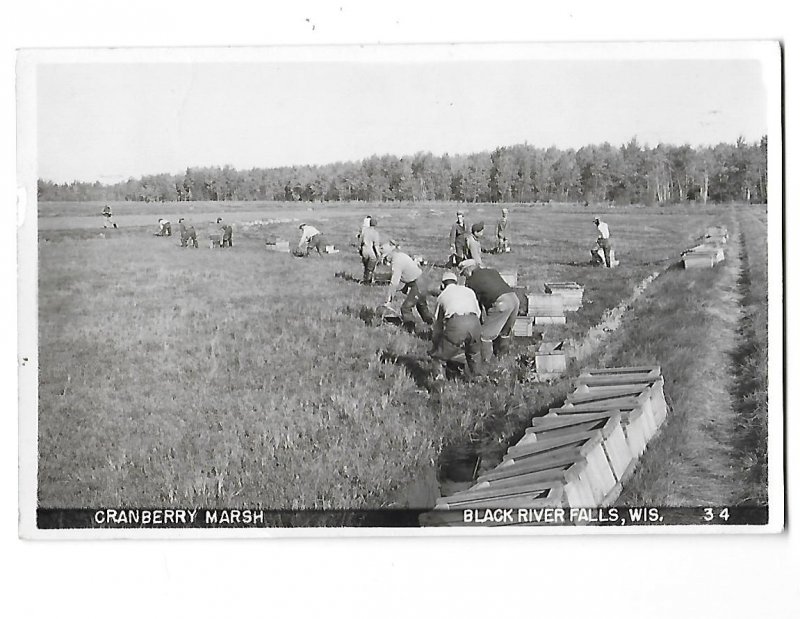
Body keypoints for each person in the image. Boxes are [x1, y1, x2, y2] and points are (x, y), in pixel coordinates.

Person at [459, 259, 520, 362]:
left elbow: (475, 305)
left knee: (484, 336)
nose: (464, 276)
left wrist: (476, 324)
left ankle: (485, 363)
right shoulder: (492, 271)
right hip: (514, 299)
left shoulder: (471, 281)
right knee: (504, 333)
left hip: (501, 304)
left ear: (468, 270)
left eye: (463, 273)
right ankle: (502, 359)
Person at [430, 272, 483, 381]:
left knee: (438, 358)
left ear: (443, 285)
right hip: (474, 321)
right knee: (474, 353)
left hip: (457, 322)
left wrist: (436, 344)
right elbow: (478, 312)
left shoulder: (442, 296)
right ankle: (477, 379)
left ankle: (438, 385)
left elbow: (438, 324)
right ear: (456, 281)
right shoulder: (469, 291)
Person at [383, 240, 435, 332]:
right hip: (422, 280)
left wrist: (388, 300)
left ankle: (409, 328)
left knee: (406, 308)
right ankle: (433, 324)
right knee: (422, 306)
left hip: (418, 283)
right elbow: (410, 271)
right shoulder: (401, 255)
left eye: (386, 258)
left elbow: (394, 282)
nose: (387, 262)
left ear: (389, 255)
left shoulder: (396, 262)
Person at [359, 218, 382, 284]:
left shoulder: (364, 231)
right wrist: (378, 254)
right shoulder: (375, 233)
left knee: (366, 267)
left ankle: (365, 279)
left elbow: (360, 242)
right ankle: (367, 282)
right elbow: (376, 245)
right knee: (371, 269)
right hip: (371, 251)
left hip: (364, 250)